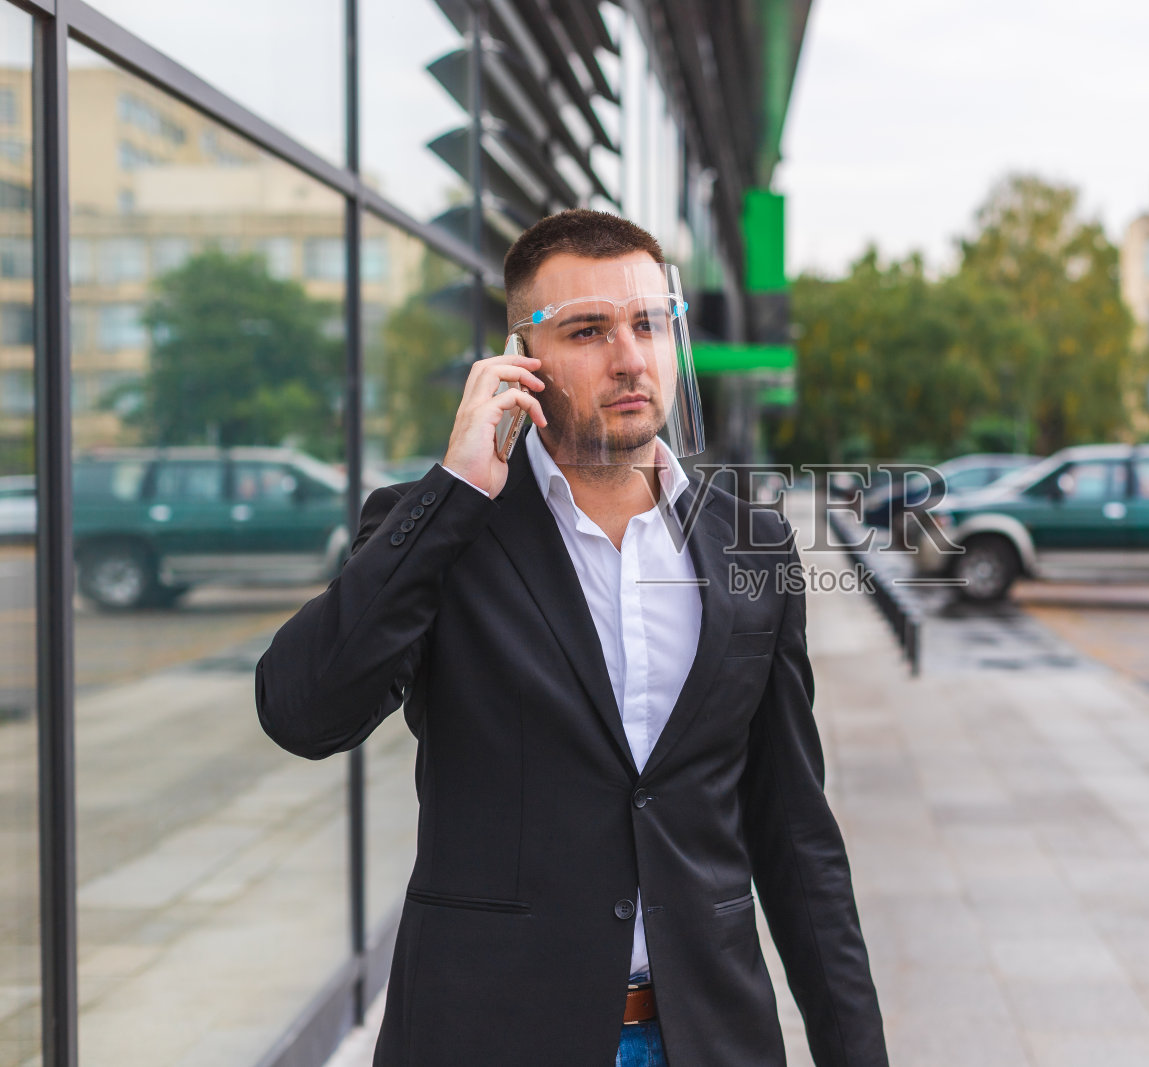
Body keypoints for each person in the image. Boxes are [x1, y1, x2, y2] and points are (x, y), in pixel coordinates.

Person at [255, 209, 888, 1067]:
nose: (629, 356)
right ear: (521, 360)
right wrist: (455, 489)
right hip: (492, 1036)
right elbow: (303, 711)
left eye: (649, 323)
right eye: (589, 330)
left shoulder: (753, 543)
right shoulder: (439, 528)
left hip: (707, 1035)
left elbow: (795, 833)